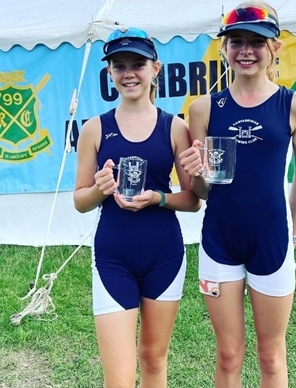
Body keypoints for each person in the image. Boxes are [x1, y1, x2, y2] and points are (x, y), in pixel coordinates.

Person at [179, 1, 296, 388]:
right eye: (236, 41)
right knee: (227, 354)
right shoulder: (204, 108)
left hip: (272, 240)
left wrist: (294, 235)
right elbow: (203, 191)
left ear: (275, 47)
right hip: (219, 241)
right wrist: (195, 172)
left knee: (271, 357)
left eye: (256, 41)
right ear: (224, 49)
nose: (245, 50)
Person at [73, 27, 201, 388]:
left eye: (137, 64)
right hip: (114, 256)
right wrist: (100, 189)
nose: (128, 73)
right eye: (119, 65)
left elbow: (193, 200)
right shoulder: (95, 129)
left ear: (155, 69)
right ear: (110, 72)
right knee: (119, 377)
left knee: (154, 360)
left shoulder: (175, 127)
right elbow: (80, 201)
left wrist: (158, 198)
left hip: (165, 254)